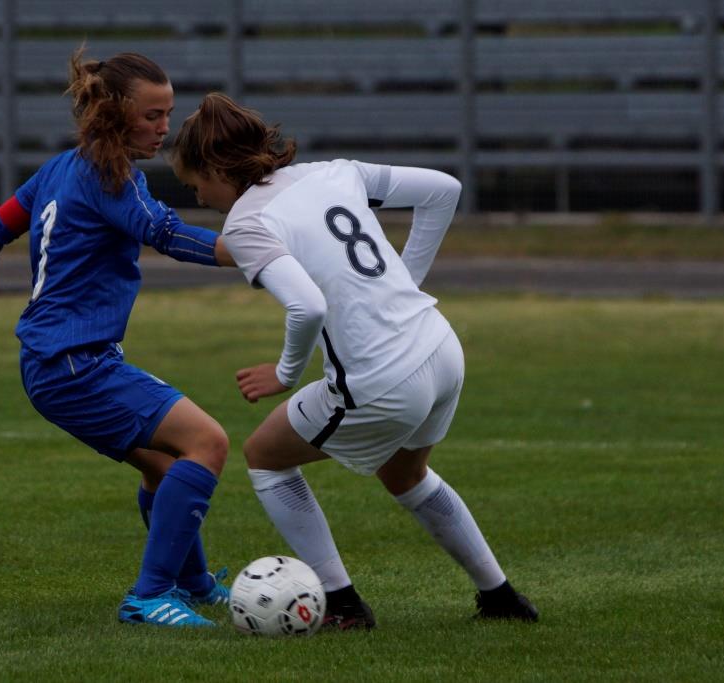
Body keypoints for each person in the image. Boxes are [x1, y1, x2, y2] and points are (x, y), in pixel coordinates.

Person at [170, 93, 539, 629]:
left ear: (216, 168)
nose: (199, 196)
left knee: (266, 455)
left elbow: (307, 305)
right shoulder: (332, 171)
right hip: (440, 348)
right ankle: (501, 597)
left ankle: (342, 605)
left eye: (194, 184)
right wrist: (408, 283)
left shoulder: (247, 223)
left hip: (381, 379)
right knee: (406, 475)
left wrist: (284, 373)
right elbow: (444, 190)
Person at [0, 50, 236, 629]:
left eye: (168, 114)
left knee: (165, 465)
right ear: (116, 112)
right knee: (209, 442)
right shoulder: (114, 178)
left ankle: (194, 585)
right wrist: (257, 252)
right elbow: (165, 233)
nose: (164, 128)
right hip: (74, 365)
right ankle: (148, 597)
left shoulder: (58, 169)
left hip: (54, 363)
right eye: (152, 115)